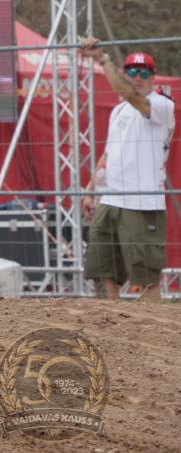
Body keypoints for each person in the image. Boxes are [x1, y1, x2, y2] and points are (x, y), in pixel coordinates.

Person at [78, 39, 175, 300]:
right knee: (102, 271)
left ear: (153, 77)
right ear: (125, 73)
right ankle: (109, 323)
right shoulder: (118, 111)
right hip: (110, 199)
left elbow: (131, 95)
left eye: (144, 72)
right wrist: (89, 191)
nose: (138, 77)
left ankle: (150, 326)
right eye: (132, 71)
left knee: (146, 278)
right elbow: (108, 155)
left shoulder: (163, 105)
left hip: (142, 202)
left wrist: (102, 60)